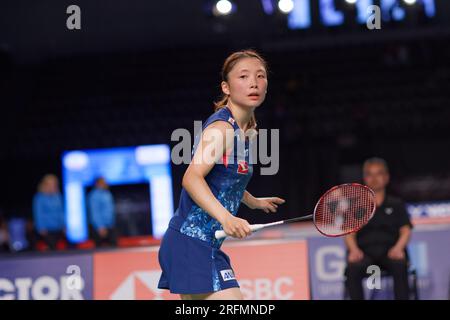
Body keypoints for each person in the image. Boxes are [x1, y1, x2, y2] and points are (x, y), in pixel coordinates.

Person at [158, 50, 285, 300]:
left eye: (260, 76)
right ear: (226, 87)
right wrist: (227, 218)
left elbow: (223, 179)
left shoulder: (248, 131)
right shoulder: (222, 130)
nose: (254, 83)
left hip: (206, 245)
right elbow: (192, 178)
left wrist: (251, 201)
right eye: (244, 76)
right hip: (190, 242)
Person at [344, 157, 413, 300]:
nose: (374, 178)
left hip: (391, 253)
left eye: (379, 173)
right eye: (369, 174)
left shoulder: (397, 204)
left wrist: (399, 248)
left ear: (386, 177)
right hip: (364, 254)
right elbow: (349, 233)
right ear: (364, 178)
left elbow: (406, 230)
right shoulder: (357, 205)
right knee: (352, 268)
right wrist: (354, 250)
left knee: (400, 265)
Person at [32, 174, 66, 250]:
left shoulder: (58, 196)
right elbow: (38, 213)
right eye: (50, 184)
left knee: (61, 247)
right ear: (45, 185)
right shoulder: (39, 198)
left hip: (59, 227)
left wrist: (64, 225)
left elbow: (61, 212)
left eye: (54, 184)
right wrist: (41, 227)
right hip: (47, 229)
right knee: (51, 247)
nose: (52, 186)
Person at [87, 177, 117, 247]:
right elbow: (95, 212)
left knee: (113, 247)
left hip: (109, 224)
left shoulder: (107, 193)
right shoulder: (94, 195)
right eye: (103, 182)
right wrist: (100, 226)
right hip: (100, 227)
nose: (105, 183)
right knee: (100, 249)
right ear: (97, 184)